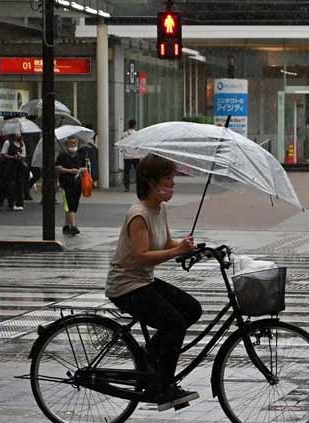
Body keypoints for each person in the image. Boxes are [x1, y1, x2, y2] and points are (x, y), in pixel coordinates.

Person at [106, 154, 202, 411]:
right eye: (168, 178)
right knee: (174, 324)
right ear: (151, 181)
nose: (173, 183)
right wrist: (176, 251)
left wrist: (187, 246)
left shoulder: (159, 209)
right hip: (126, 285)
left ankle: (150, 357)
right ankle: (163, 386)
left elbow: (165, 242)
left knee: (192, 309)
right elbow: (141, 255)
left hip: (143, 281)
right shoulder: (139, 214)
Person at [54, 137, 86, 236]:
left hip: (77, 183)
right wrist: (69, 171)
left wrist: (81, 170)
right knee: (69, 205)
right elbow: (57, 168)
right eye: (71, 145)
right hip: (66, 183)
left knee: (74, 205)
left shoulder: (80, 155)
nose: (73, 147)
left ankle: (66, 226)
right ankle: (73, 226)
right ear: (66, 146)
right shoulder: (62, 156)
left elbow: (85, 167)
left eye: (74, 145)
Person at [0, 134, 28, 211]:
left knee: (20, 183)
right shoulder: (8, 142)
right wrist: (12, 157)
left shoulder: (22, 143)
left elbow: (24, 155)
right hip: (10, 165)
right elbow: (3, 154)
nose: (18, 135)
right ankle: (11, 202)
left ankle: (19, 203)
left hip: (19, 165)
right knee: (10, 184)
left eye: (19, 133)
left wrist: (20, 156)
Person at [121, 119, 140, 192]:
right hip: (136, 156)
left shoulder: (124, 134)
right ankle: (139, 186)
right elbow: (139, 145)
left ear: (128, 125)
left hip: (127, 156)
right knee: (138, 172)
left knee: (127, 172)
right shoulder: (138, 134)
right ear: (135, 125)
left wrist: (123, 151)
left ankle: (127, 187)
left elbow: (121, 144)